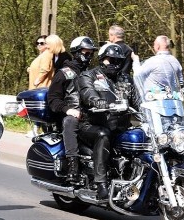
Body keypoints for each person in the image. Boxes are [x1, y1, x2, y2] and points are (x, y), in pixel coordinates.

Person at [77, 42, 138, 200]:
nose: (114, 64)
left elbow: (138, 100)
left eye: (118, 61)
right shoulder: (89, 75)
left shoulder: (126, 79)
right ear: (102, 59)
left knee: (141, 137)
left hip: (120, 126)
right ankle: (101, 184)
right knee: (103, 135)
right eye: (110, 60)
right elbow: (87, 92)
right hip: (92, 124)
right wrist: (97, 101)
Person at [46, 36, 96, 181]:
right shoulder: (63, 73)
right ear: (76, 52)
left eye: (91, 54)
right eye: (85, 53)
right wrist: (68, 109)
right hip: (72, 113)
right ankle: (73, 166)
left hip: (91, 114)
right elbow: (53, 99)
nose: (88, 56)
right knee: (70, 122)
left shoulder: (93, 74)